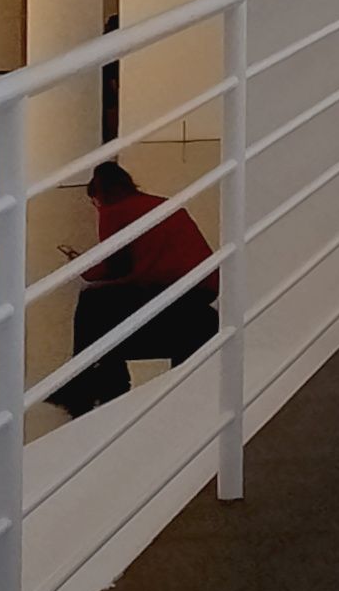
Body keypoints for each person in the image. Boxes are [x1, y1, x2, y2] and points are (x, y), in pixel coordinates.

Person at [47, 161, 218, 418]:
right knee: (106, 312)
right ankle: (92, 378)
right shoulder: (161, 204)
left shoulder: (113, 211)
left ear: (97, 195)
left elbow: (116, 266)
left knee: (92, 303)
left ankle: (85, 380)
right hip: (203, 286)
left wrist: (83, 267)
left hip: (169, 287)